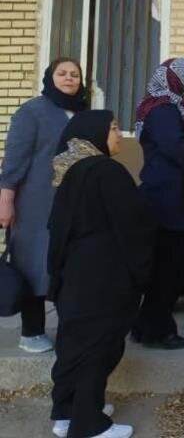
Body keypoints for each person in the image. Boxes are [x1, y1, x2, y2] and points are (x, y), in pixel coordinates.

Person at [48, 110, 155, 438]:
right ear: (94, 133)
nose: (119, 135)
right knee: (99, 346)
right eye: (113, 128)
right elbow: (132, 226)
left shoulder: (70, 169)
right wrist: (142, 272)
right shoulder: (107, 171)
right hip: (105, 275)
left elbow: (56, 228)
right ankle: (89, 425)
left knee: (74, 344)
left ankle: (67, 412)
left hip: (75, 273)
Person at [0, 57, 87, 353]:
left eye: (75, 74)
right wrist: (6, 201)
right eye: (62, 73)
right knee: (32, 263)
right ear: (50, 77)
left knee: (69, 266)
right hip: (34, 203)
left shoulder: (83, 112)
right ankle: (32, 332)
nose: (69, 78)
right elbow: (14, 160)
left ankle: (71, 330)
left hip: (73, 203)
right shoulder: (32, 111)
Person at [130, 58, 184, 350]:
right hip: (168, 200)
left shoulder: (171, 107)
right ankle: (159, 331)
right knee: (169, 268)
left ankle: (145, 326)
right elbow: (176, 149)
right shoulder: (165, 110)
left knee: (165, 266)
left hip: (168, 195)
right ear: (176, 79)